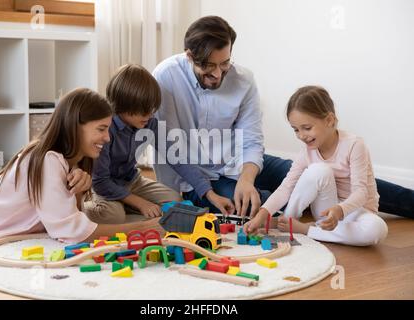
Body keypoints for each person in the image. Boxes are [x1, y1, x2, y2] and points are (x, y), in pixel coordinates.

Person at [152, 15, 414, 219]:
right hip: (199, 177)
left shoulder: (243, 80)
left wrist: (246, 177)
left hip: (241, 162)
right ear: (190, 57)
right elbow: (170, 149)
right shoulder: (166, 78)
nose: (219, 75)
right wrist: (180, 197)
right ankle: (311, 209)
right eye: (209, 68)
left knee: (333, 174)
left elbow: (252, 139)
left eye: (225, 64)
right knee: (254, 206)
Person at [0, 88, 159, 246]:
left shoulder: (70, 162)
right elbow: (73, 231)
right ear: (74, 126)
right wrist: (144, 228)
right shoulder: (47, 160)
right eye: (101, 129)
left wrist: (79, 191)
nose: (108, 138)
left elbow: (69, 217)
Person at [86, 64, 234, 224]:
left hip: (131, 181)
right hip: (104, 188)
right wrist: (141, 203)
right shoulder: (105, 130)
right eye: (143, 110)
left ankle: (127, 207)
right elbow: (100, 182)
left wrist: (211, 194)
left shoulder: (149, 123)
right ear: (122, 105)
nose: (149, 115)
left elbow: (177, 159)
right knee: (113, 216)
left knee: (175, 200)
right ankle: (87, 207)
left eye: (151, 110)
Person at [244, 86, 388, 246]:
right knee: (318, 170)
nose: (301, 135)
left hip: (356, 211)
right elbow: (286, 187)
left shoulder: (354, 145)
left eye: (307, 128)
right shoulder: (306, 152)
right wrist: (262, 214)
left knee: (377, 229)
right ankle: (289, 221)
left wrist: (340, 210)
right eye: (296, 130)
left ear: (329, 120)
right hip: (326, 211)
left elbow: (361, 193)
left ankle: (308, 230)